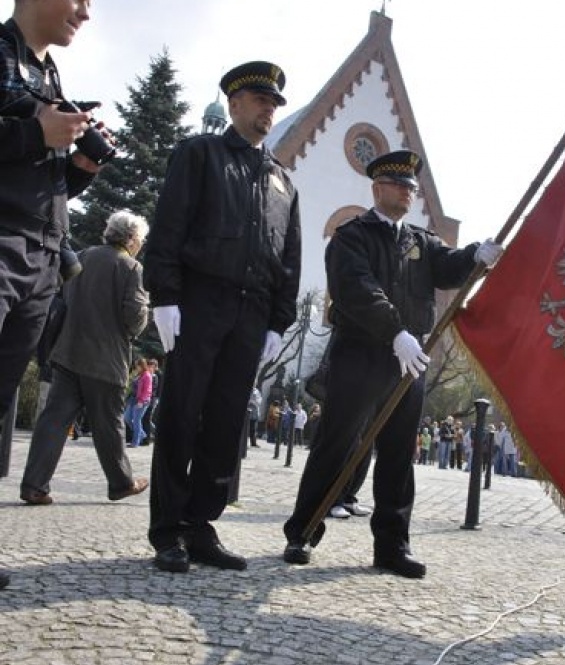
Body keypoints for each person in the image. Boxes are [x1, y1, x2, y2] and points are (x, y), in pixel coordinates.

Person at [283, 150, 503, 578]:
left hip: (409, 359)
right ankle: (303, 531)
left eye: (411, 187)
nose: (407, 192)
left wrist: (478, 254)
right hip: (361, 351)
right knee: (337, 443)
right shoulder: (353, 236)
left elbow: (449, 268)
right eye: (399, 184)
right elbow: (356, 289)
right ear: (378, 188)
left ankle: (391, 545)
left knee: (399, 455)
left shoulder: (420, 241)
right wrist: (394, 331)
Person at [144, 61, 301, 574]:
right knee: (182, 414)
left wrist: (280, 321)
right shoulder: (201, 154)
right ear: (233, 104)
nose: (268, 111)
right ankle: (168, 529)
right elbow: (169, 225)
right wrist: (164, 296)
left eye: (274, 104)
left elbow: (289, 258)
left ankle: (200, 524)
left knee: (227, 422)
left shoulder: (282, 181)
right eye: (259, 101)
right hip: (200, 301)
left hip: (251, 313)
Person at [1, 0, 105, 585]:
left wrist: (82, 165)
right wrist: (33, 134)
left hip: (41, 252)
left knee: (3, 392)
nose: (85, 14)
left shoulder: (53, 78)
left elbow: (50, 181)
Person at [19, 211, 150, 504]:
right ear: (130, 239)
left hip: (67, 352)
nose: (140, 244)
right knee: (110, 425)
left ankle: (34, 485)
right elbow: (135, 318)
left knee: (53, 421)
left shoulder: (82, 255)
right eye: (140, 239)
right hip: (105, 359)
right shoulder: (130, 267)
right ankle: (121, 483)